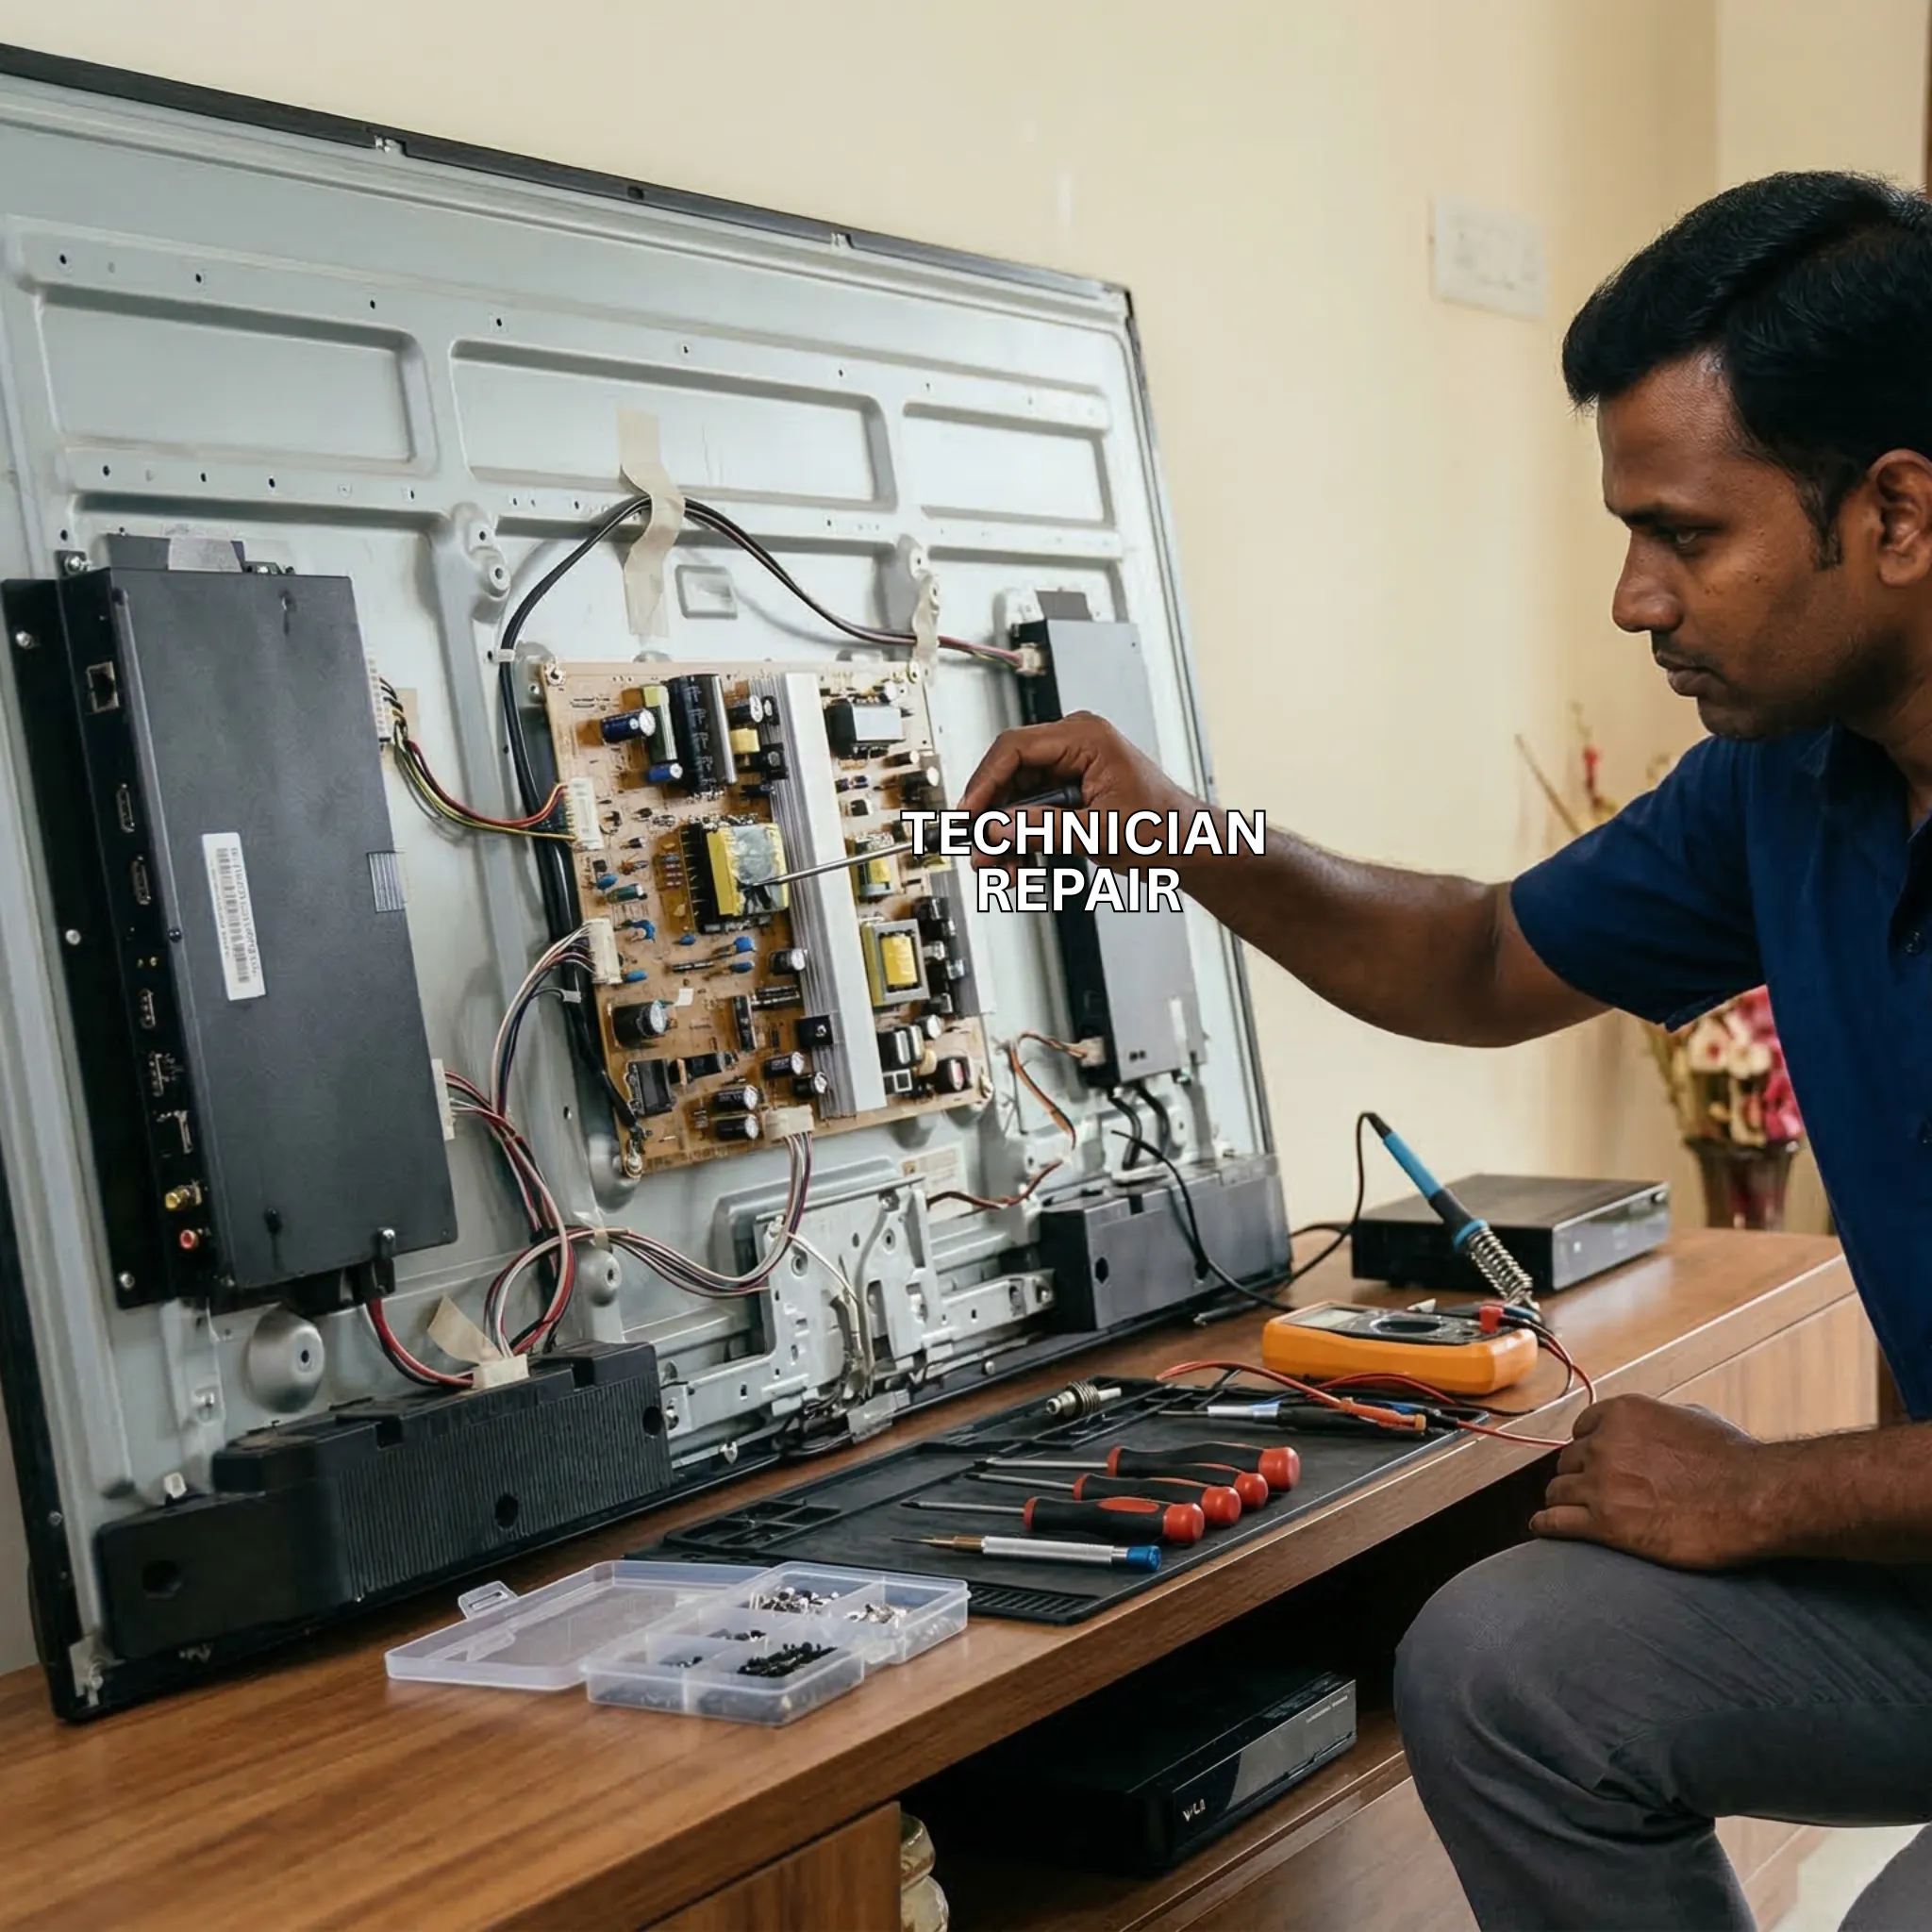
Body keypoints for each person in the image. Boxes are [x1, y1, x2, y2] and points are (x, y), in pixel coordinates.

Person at [959, 172, 1932, 1930]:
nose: (1636, 599)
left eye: (1686, 534)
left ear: (1897, 513)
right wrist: (1174, 827)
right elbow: (1481, 956)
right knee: (1505, 1664)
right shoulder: (1787, 787)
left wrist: (1765, 1490)